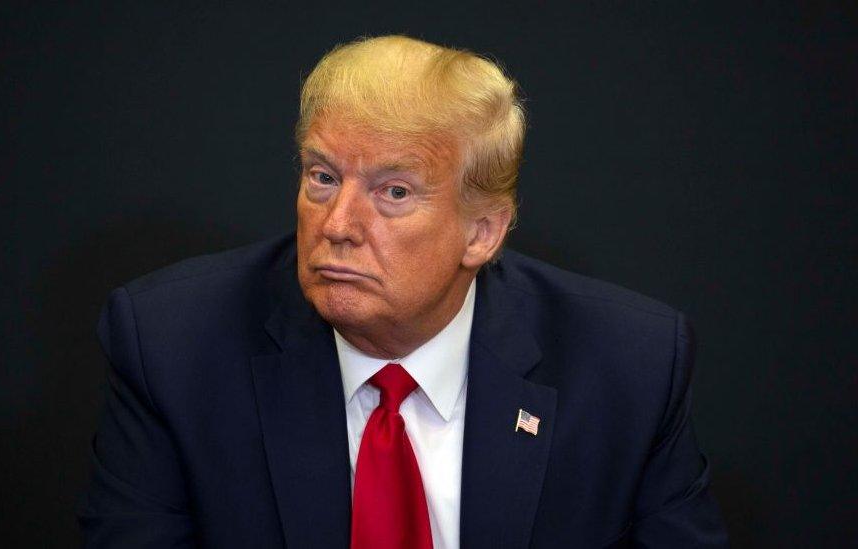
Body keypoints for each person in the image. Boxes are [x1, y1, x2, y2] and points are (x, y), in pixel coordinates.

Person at [78, 35, 729, 548]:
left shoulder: (629, 366)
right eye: (323, 176)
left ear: (481, 232)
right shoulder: (173, 344)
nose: (337, 226)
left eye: (394, 192)